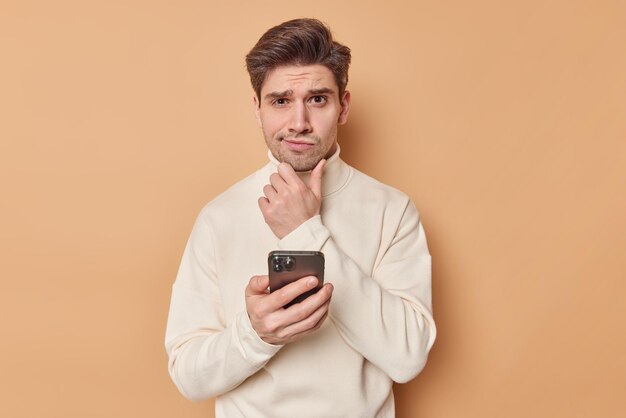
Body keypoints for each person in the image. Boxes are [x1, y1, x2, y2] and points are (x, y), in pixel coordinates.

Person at [165, 18, 436, 418]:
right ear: (257, 109)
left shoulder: (392, 210)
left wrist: (306, 232)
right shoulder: (217, 218)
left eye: (317, 99)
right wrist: (255, 335)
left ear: (343, 106)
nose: (298, 123)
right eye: (280, 101)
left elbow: (407, 357)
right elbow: (188, 377)